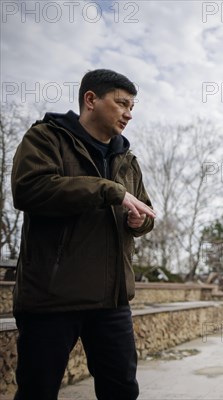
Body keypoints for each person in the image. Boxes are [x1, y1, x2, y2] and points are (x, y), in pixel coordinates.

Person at [11, 69, 156, 400]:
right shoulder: (47, 137)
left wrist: (139, 223)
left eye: (132, 106)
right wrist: (108, 191)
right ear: (91, 99)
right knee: (37, 392)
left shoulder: (126, 159)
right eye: (121, 104)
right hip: (51, 297)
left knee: (121, 390)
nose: (129, 114)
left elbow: (146, 211)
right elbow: (29, 190)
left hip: (113, 301)